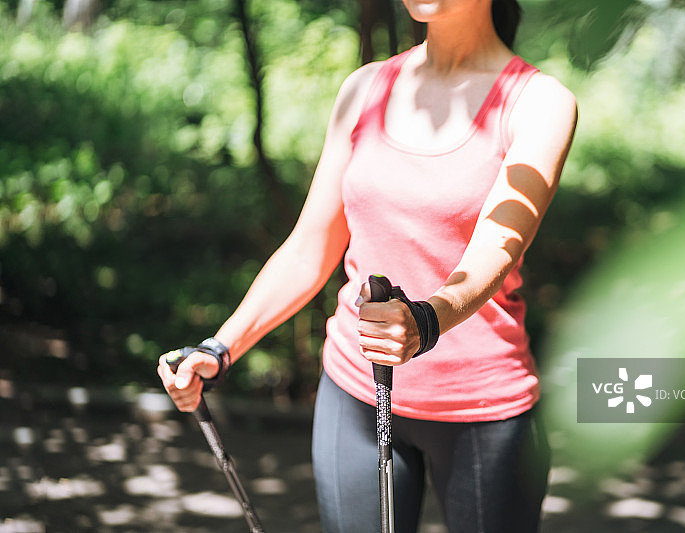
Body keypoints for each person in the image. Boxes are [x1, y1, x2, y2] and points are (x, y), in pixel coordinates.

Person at [157, 0, 577, 531]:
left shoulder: (538, 102)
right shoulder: (365, 89)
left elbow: (498, 247)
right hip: (355, 394)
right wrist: (219, 348)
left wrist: (426, 319)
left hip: (483, 408)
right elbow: (312, 245)